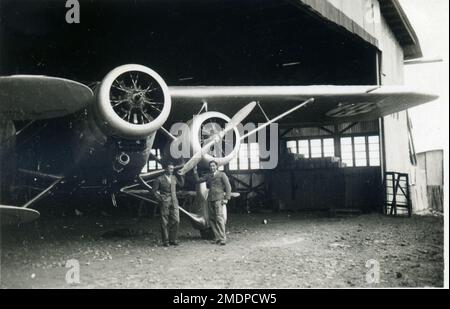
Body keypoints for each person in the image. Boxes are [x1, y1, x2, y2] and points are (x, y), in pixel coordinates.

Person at [193, 160, 231, 245]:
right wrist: (195, 172)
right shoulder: (208, 176)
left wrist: (227, 198)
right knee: (211, 219)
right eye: (210, 166)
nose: (212, 167)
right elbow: (198, 180)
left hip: (218, 199)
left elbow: (228, 187)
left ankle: (223, 238)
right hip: (210, 199)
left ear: (216, 167)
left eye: (213, 166)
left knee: (219, 218)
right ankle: (217, 238)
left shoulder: (222, 175)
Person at [152, 163, 184, 247]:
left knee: (176, 220)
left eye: (172, 169)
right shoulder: (159, 179)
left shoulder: (174, 177)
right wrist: (160, 199)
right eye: (170, 169)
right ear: (165, 169)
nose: (171, 170)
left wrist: (181, 175)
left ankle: (173, 239)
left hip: (174, 201)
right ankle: (165, 241)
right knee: (164, 221)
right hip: (164, 202)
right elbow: (154, 191)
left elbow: (181, 185)